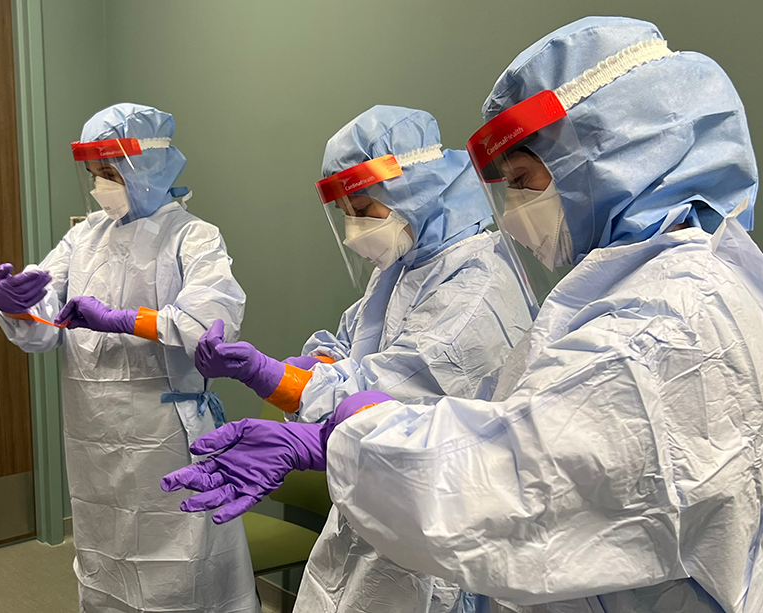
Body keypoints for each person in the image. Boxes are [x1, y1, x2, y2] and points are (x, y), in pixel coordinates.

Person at [160, 17, 763, 613]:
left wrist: (327, 433)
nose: (516, 208)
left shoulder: (675, 313)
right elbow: (509, 421)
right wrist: (321, 400)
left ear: (619, 152)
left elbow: (515, 479)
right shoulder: (638, 284)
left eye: (525, 179)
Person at [177, 105, 536, 612]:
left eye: (363, 209)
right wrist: (303, 369)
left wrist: (273, 380)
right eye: (346, 213)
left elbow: (401, 388)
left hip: (434, 518)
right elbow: (352, 349)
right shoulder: (407, 263)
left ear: (414, 188)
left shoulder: (477, 281)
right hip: (373, 501)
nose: (354, 230)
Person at [0, 103, 257, 613]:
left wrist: (122, 320)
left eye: (110, 174)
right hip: (93, 438)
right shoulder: (84, 236)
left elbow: (211, 319)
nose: (100, 187)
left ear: (149, 167)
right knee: (104, 557)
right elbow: (45, 326)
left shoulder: (193, 237)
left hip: (167, 436)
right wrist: (18, 304)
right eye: (94, 175)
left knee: (184, 568)